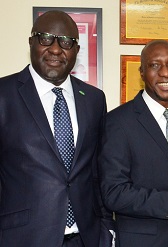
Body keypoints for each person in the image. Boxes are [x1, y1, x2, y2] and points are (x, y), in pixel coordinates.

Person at [0, 10, 114, 247]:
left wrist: (106, 228)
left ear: (76, 50)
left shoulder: (94, 99)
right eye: (45, 38)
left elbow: (97, 171)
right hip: (22, 238)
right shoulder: (4, 94)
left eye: (66, 42)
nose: (55, 49)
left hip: (86, 238)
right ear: (31, 42)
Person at [99, 40, 168, 247]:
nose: (166, 73)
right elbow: (114, 194)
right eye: (155, 65)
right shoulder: (118, 122)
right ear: (142, 72)